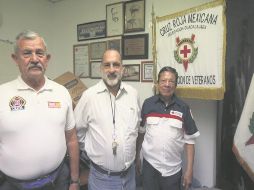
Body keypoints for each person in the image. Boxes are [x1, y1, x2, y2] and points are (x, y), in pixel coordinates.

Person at [0, 30, 80, 190]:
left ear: (47, 59)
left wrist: (75, 180)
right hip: (14, 185)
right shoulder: (2, 94)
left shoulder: (62, 92)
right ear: (15, 58)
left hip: (58, 180)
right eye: (27, 53)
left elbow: (71, 139)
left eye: (40, 53)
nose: (35, 59)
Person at [74, 49, 140, 190]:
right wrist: (93, 148)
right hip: (102, 179)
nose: (111, 70)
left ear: (122, 68)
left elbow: (136, 130)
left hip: (130, 176)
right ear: (101, 69)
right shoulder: (89, 96)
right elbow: (77, 130)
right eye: (107, 65)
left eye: (116, 64)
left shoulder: (133, 94)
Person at [136, 66, 200, 190]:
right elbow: (141, 132)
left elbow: (190, 141)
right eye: (163, 81)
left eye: (171, 81)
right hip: (150, 166)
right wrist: (137, 157)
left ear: (175, 85)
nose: (167, 84)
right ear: (157, 83)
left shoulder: (183, 108)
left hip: (173, 169)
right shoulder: (148, 104)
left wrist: (189, 170)